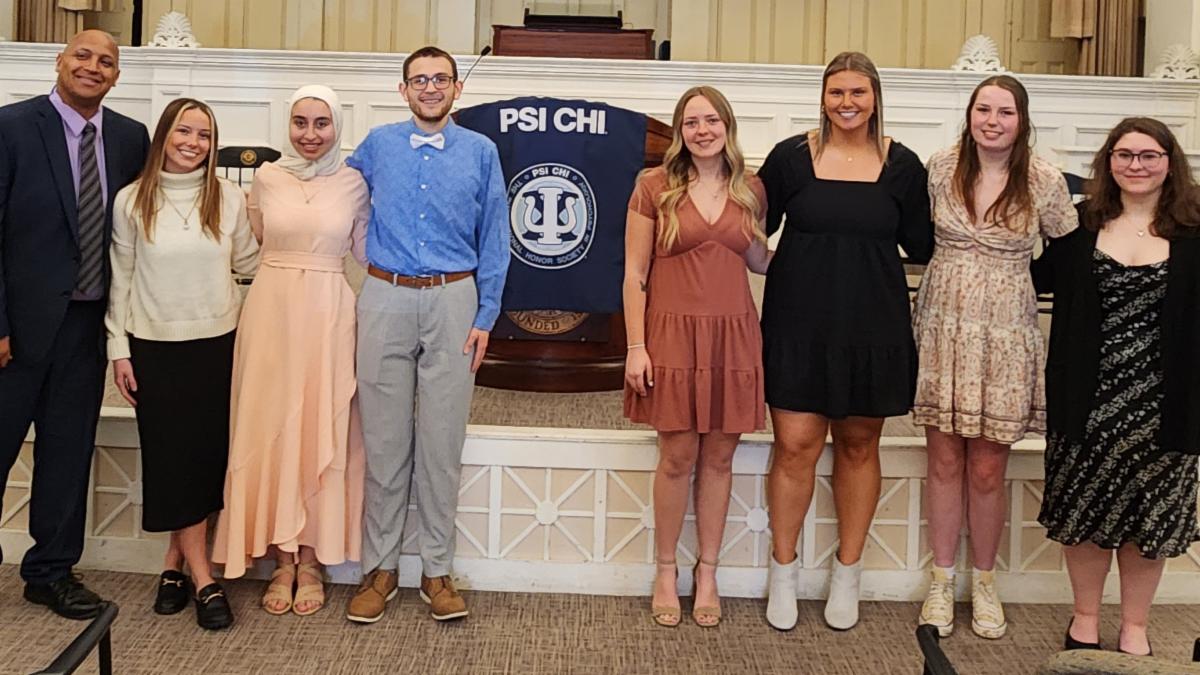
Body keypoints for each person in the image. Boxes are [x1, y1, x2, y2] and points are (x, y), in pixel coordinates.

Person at [757, 51, 933, 632]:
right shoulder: (789, 157)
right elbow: (746, 223)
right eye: (837, 93)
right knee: (795, 447)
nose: (848, 103)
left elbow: (926, 243)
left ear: (875, 97)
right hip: (798, 324)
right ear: (823, 97)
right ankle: (782, 571)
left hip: (873, 326)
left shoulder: (903, 165)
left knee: (859, 448)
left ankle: (847, 573)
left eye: (858, 92)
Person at [344, 45, 509, 624]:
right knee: (385, 442)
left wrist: (485, 315)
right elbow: (332, 196)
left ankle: (437, 569)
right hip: (385, 296)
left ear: (457, 89)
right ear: (403, 89)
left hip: (454, 300)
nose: (430, 87)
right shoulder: (377, 146)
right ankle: (381, 567)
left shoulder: (482, 152)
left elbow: (495, 238)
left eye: (441, 79)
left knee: (441, 443)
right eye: (420, 79)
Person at [913, 75, 1078, 639]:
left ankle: (984, 583)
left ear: (1021, 119)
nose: (992, 120)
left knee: (987, 468)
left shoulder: (1044, 179)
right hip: (943, 324)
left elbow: (1069, 251)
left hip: (1006, 330)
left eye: (1004, 112)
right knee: (942, 460)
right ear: (970, 114)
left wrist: (1022, 286)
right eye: (983, 109)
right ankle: (940, 580)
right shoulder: (940, 167)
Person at [1034, 117, 1200, 656]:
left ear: (1169, 163)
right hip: (1087, 396)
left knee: (1147, 519)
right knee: (1083, 513)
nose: (1136, 165)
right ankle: (1084, 618)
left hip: (1167, 401)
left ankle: (1135, 626)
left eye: (1149, 155)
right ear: (1109, 162)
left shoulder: (1196, 230)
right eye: (1125, 154)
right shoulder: (1077, 226)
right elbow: (1031, 279)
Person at [0, 30, 149, 620]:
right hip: (16, 328)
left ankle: (50, 572)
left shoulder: (130, 139)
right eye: (82, 56)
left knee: (67, 455)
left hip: (86, 328)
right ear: (60, 63)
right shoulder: (10, 127)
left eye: (106, 61)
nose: (92, 67)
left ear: (116, 77)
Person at [212, 85, 369, 617]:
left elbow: (366, 251)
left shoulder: (355, 183)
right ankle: (280, 559)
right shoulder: (266, 178)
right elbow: (256, 238)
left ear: (337, 127)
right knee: (270, 425)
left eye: (321, 123)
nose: (310, 134)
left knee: (321, 425)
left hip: (329, 310)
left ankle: (311, 558)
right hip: (272, 308)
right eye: (300, 122)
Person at [105, 97, 259, 630]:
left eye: (204, 135)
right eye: (184, 132)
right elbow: (119, 282)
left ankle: (172, 563)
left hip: (218, 343)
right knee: (173, 459)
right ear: (164, 136)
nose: (193, 143)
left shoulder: (229, 199)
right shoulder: (131, 202)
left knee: (205, 457)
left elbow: (251, 263)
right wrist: (117, 350)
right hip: (153, 347)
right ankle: (204, 575)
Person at [624, 86, 769, 628]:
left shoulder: (751, 188)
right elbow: (634, 275)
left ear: (727, 126)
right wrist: (637, 347)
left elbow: (758, 259)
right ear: (680, 132)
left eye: (711, 121)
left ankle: (708, 571)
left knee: (720, 459)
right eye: (691, 123)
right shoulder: (654, 186)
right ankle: (666, 570)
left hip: (733, 336)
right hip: (670, 337)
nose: (702, 130)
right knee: (678, 457)